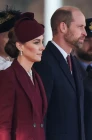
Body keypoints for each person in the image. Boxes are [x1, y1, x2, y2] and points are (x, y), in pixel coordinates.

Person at [33, 6, 87, 140]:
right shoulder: (44, 62)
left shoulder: (76, 65)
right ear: (63, 27)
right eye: (80, 27)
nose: (85, 33)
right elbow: (40, 115)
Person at [0, 12, 47, 140]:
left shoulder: (37, 77)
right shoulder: (7, 77)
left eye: (42, 42)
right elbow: (3, 128)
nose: (42, 47)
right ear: (20, 45)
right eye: (36, 42)